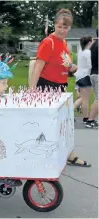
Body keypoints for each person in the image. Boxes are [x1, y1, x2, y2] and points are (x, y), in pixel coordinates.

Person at [30, 8, 91, 167]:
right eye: (60, 26)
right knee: (49, 123)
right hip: (46, 87)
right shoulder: (48, 42)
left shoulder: (63, 43)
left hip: (60, 87)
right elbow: (38, 67)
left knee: (62, 122)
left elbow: (65, 63)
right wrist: (32, 90)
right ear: (54, 25)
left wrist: (72, 67)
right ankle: (44, 155)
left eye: (66, 27)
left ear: (70, 28)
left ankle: (65, 154)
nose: (62, 30)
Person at [74, 36, 93, 123]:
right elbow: (89, 66)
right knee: (85, 99)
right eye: (92, 41)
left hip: (79, 76)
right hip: (85, 76)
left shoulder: (80, 51)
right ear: (89, 42)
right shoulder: (88, 52)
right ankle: (85, 118)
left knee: (83, 98)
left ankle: (85, 116)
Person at [86, 28, 98, 129]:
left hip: (93, 73)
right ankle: (90, 120)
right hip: (97, 74)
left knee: (97, 97)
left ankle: (92, 119)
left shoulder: (94, 45)